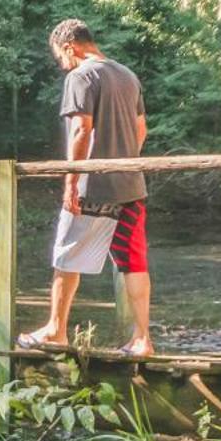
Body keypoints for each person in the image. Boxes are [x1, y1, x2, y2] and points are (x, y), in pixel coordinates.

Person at [17, 21, 151, 358]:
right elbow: (141, 129)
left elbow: (81, 129)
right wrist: (123, 159)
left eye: (59, 57)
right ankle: (142, 340)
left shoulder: (81, 76)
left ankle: (56, 330)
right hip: (131, 183)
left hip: (93, 184)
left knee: (67, 257)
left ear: (69, 47)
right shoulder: (127, 75)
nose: (61, 64)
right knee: (133, 262)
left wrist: (71, 182)